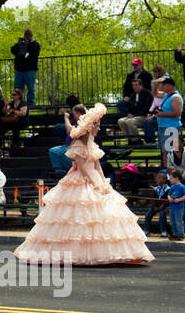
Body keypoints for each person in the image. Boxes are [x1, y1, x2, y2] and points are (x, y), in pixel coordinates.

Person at [14, 104, 152, 266]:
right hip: (81, 179)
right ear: (91, 127)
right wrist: (95, 182)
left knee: (102, 216)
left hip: (93, 177)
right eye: (98, 126)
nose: (99, 129)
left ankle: (114, 253)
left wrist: (103, 182)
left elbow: (97, 166)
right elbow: (84, 168)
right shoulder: (79, 146)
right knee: (76, 216)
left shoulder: (92, 145)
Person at [49, 104, 87, 175]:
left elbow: (70, 130)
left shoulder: (83, 123)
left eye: (74, 113)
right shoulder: (77, 122)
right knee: (54, 151)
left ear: (78, 114)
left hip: (74, 148)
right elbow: (67, 131)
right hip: (69, 146)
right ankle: (60, 171)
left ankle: (62, 171)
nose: (72, 114)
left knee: (53, 151)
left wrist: (66, 118)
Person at [156, 76, 183, 170]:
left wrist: (162, 114)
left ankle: (171, 172)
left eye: (164, 85)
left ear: (170, 86)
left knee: (170, 152)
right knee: (164, 151)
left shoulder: (176, 98)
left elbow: (177, 113)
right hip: (163, 127)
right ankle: (166, 170)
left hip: (171, 127)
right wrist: (155, 85)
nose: (162, 87)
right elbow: (154, 94)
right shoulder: (166, 95)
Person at [117, 77, 151, 143]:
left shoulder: (147, 94)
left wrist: (134, 115)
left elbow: (146, 109)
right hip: (134, 116)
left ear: (141, 85)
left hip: (144, 116)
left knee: (129, 121)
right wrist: (129, 113)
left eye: (136, 85)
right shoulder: (133, 95)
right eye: (133, 85)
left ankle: (137, 140)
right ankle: (130, 139)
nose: (134, 87)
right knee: (120, 121)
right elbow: (130, 108)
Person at [11, 29, 40, 105]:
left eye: (28, 35)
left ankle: (30, 103)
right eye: (25, 35)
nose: (26, 37)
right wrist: (18, 44)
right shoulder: (20, 45)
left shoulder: (35, 44)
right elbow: (13, 50)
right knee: (18, 88)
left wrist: (28, 44)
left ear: (31, 36)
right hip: (19, 70)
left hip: (30, 70)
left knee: (30, 88)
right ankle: (18, 102)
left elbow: (35, 52)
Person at [142, 170, 170, 238]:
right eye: (157, 178)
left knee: (162, 216)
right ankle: (146, 230)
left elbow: (167, 200)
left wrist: (162, 206)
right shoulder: (155, 189)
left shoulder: (168, 189)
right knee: (148, 215)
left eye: (160, 178)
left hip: (163, 207)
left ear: (165, 180)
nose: (157, 180)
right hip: (155, 206)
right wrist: (154, 206)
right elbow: (153, 199)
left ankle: (164, 231)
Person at [165, 170, 185, 241]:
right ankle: (175, 234)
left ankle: (181, 234)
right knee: (172, 221)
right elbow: (169, 195)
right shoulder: (172, 187)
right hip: (172, 207)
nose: (170, 180)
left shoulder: (182, 187)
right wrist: (169, 198)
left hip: (179, 207)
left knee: (178, 221)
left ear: (176, 178)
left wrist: (179, 199)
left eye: (171, 178)